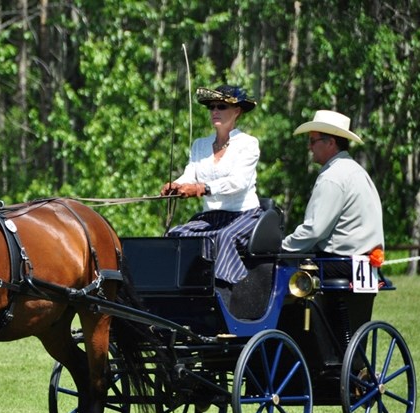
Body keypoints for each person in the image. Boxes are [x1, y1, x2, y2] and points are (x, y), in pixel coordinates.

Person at [161, 85, 261, 285]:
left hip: (243, 215)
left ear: (237, 111)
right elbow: (190, 174)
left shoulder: (248, 144)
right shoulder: (200, 145)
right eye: (212, 107)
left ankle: (227, 290)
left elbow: (238, 182)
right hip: (210, 217)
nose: (215, 111)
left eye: (221, 106)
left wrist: (203, 188)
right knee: (175, 235)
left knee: (223, 237)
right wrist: (176, 185)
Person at [282, 110, 384, 278]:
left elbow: (314, 230)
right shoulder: (356, 170)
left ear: (330, 142)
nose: (310, 147)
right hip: (366, 266)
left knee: (277, 271)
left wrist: (282, 247)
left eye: (313, 141)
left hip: (339, 263)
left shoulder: (332, 176)